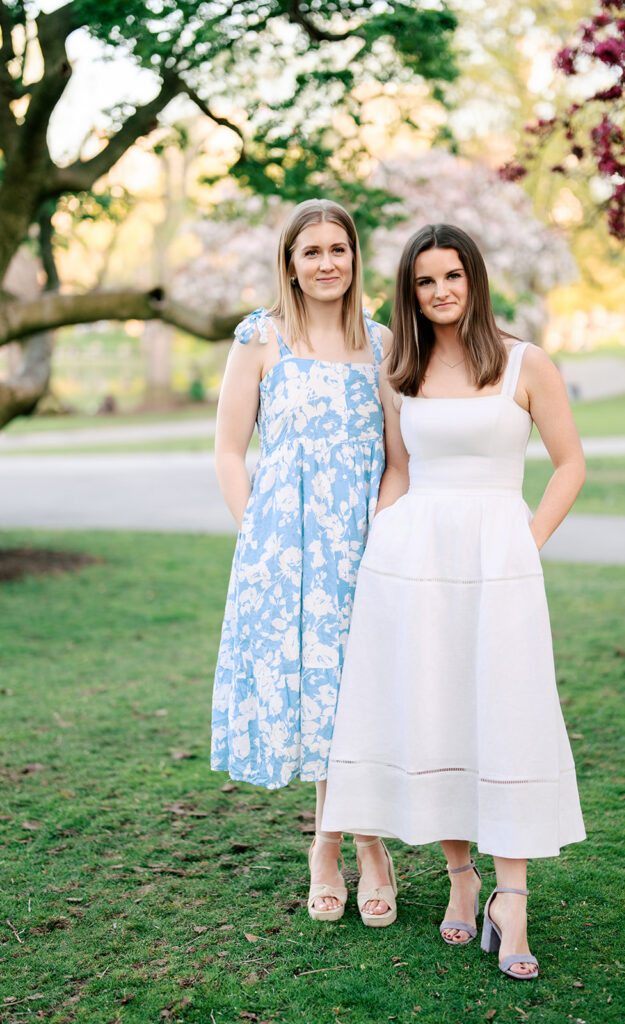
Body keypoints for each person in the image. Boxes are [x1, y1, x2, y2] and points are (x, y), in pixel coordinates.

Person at [322, 223, 587, 977]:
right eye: (424, 281)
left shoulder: (524, 363)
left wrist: (524, 541)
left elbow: (569, 466)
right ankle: (461, 880)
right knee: (438, 709)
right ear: (410, 292)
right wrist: (379, 546)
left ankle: (515, 896)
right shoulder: (401, 368)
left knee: (505, 709)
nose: (440, 292)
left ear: (474, 280)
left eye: (452, 277)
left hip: (499, 558)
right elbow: (400, 472)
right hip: (414, 561)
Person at [211, 199, 397, 927]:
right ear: (290, 261)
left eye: (338, 250)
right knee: (317, 697)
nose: (326, 263)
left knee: (358, 696)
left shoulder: (381, 344)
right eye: (311, 251)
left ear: (355, 259)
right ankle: (338, 847)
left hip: (362, 547)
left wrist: (383, 534)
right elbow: (230, 449)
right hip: (281, 551)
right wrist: (257, 537)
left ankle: (360, 843)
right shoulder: (261, 339)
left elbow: (398, 460)